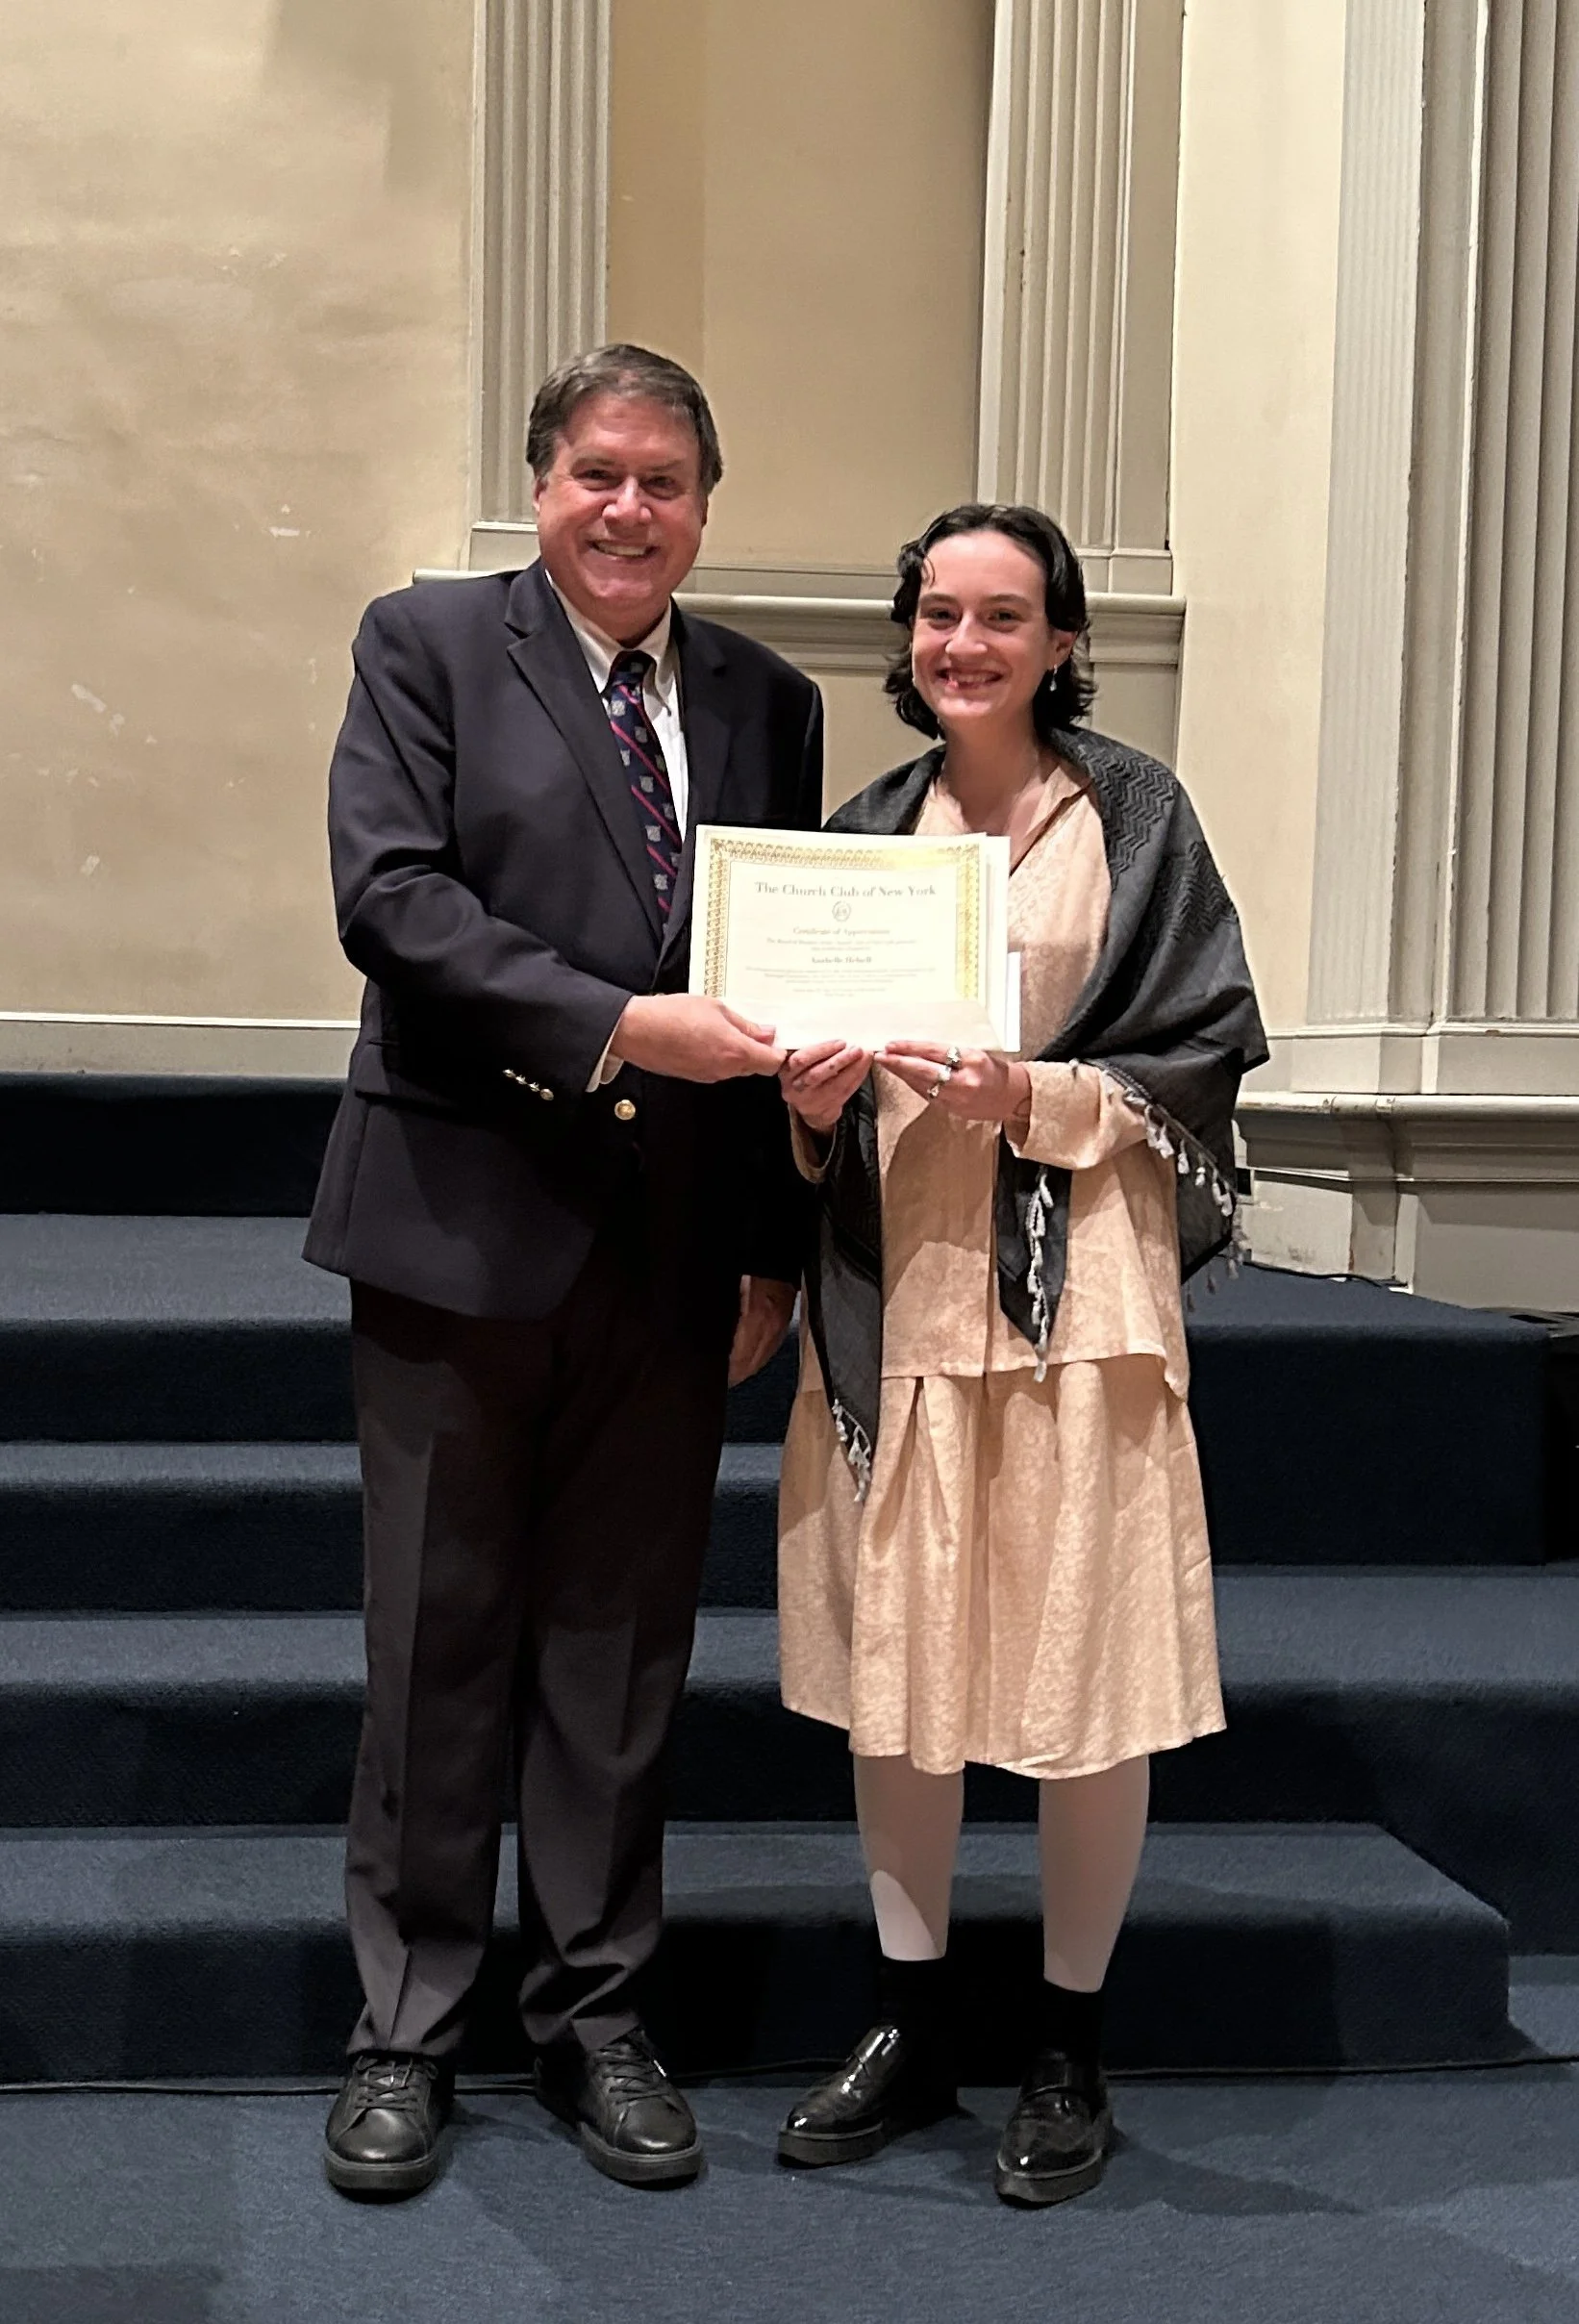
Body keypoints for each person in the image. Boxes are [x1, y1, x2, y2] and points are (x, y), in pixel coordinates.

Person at [305, 344, 823, 2196]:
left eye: (666, 482)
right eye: (599, 473)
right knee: (437, 1648)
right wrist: (618, 1026)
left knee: (620, 1659)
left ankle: (598, 2017)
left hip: (677, 1255)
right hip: (459, 1225)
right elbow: (394, 900)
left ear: (703, 504)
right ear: (541, 483)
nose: (629, 510)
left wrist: (773, 1228)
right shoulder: (428, 644)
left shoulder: (767, 699)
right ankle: (406, 2031)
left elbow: (785, 972)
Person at [773, 502, 1265, 2207]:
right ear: (904, 636)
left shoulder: (1132, 814)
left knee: (1080, 1667)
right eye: (935, 613)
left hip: (1081, 1303)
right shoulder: (856, 837)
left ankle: (1065, 2044)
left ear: (1061, 639)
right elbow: (795, 1112)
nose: (962, 643)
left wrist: (1033, 1095)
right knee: (901, 1672)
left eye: (1002, 614)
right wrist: (808, 1104)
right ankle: (910, 2027)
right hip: (900, 1292)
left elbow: (1195, 1055)